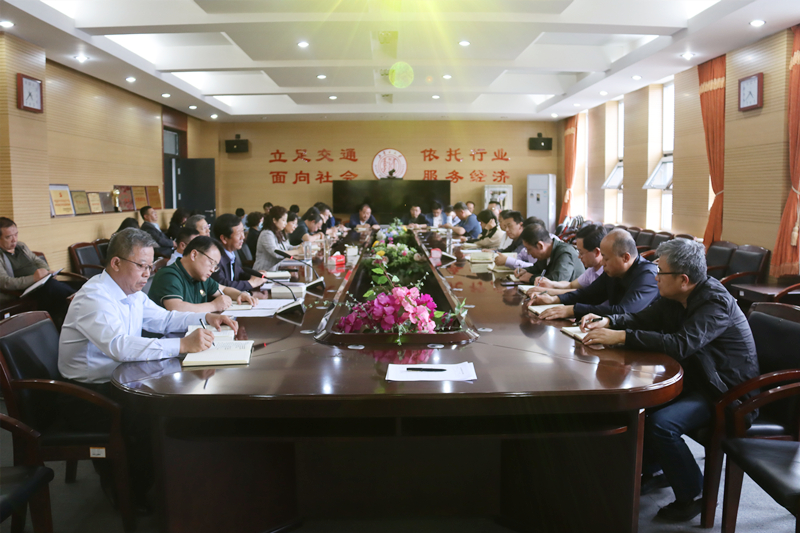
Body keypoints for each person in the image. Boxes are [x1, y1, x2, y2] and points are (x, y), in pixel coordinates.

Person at [580, 238, 759, 522]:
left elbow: (680, 345)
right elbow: (644, 319)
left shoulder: (715, 302)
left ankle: (694, 493)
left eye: (660, 272)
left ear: (683, 279)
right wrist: (611, 322)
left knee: (662, 424)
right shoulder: (677, 296)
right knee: (640, 405)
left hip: (727, 393)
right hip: (698, 380)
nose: (655, 277)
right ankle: (653, 469)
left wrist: (622, 336)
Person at [58, 228, 237, 509]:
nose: (147, 274)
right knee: (152, 416)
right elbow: (119, 346)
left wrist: (207, 317)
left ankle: (169, 480)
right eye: (141, 266)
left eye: (150, 266)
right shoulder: (94, 297)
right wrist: (182, 345)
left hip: (119, 378)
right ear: (116, 263)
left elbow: (164, 320)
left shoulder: (131, 292)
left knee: (175, 399)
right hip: (86, 395)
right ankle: (130, 492)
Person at [533, 228, 659, 321]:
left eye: (606, 258)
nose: (602, 263)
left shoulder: (648, 275)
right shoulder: (613, 271)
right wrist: (555, 299)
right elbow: (588, 294)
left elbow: (624, 311)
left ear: (625, 257)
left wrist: (572, 310)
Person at [0, 217, 76, 328]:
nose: (14, 240)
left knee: (65, 288)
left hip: (41, 283)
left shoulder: (21, 246)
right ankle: (79, 304)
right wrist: (34, 278)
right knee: (57, 292)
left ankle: (69, 317)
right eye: (8, 237)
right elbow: (5, 282)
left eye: (16, 234)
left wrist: (46, 272)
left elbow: (37, 261)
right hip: (23, 290)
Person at [147, 236, 255, 312]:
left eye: (215, 266)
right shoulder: (169, 275)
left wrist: (240, 295)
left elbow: (224, 289)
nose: (212, 270)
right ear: (194, 255)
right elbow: (176, 308)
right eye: (211, 263)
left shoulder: (200, 277)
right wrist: (213, 306)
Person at [526, 224, 606, 297]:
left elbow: (582, 293)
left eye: (581, 253)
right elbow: (571, 285)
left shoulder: (607, 273)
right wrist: (552, 284)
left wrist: (546, 291)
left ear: (596, 252)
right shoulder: (592, 270)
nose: (579, 257)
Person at [211, 213, 266, 291]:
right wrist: (251, 283)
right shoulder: (215, 258)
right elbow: (221, 285)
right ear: (224, 239)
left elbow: (240, 274)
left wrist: (256, 276)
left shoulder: (231, 253)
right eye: (238, 234)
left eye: (243, 231)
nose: (243, 237)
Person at [517, 224, 584, 282]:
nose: (528, 253)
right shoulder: (545, 254)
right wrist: (525, 271)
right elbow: (537, 268)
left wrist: (531, 278)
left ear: (540, 245)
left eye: (529, 249)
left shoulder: (564, 253)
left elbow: (558, 280)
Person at [255, 206, 298, 271]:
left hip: (277, 268)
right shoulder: (266, 234)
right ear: (274, 220)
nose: (285, 223)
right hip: (264, 271)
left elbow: (288, 247)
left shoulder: (279, 232)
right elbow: (277, 254)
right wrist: (298, 251)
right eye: (283, 220)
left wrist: (300, 247)